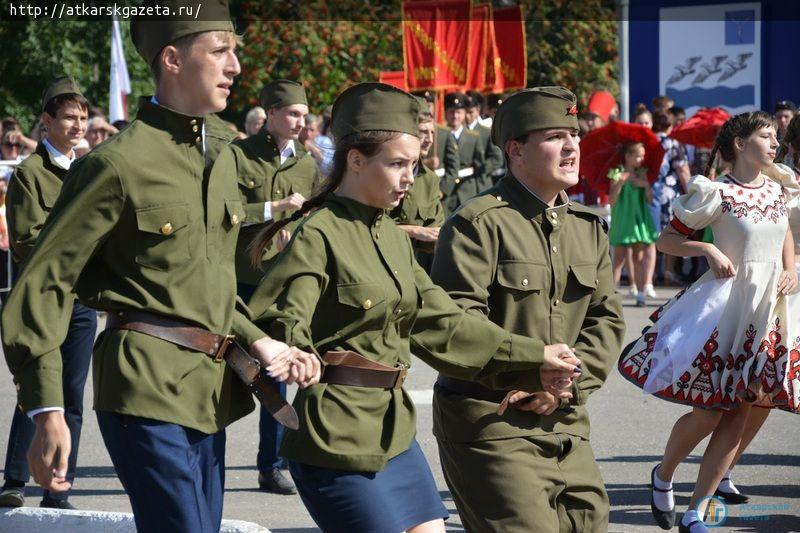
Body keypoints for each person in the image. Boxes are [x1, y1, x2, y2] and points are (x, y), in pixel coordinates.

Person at [1, 3, 318, 531]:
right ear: (172, 59)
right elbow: (43, 282)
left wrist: (262, 342)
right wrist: (46, 408)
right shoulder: (116, 163)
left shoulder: (220, 158)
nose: (235, 66)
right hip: (144, 386)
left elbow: (203, 279)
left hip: (209, 391)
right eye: (220, 51)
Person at [245, 82, 581, 533]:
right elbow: (284, 314)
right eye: (397, 164)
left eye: (414, 165)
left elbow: (445, 324)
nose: (409, 177)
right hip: (335, 436)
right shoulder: (320, 232)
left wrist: (534, 355)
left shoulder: (389, 234)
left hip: (394, 432)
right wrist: (295, 350)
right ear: (356, 160)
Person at [430, 86, 626, 533]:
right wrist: (530, 369)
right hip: (493, 423)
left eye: (574, 134)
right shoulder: (477, 225)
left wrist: (563, 387)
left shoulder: (587, 227)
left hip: (566, 418)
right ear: (516, 149)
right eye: (555, 136)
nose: (572, 146)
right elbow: (457, 324)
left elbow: (606, 318)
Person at [618, 111, 798, 532]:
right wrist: (707, 250)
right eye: (766, 136)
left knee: (741, 409)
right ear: (740, 144)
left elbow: (785, 232)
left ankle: (695, 511)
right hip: (726, 310)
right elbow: (667, 240)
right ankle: (663, 474)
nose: (775, 144)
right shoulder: (714, 193)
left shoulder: (777, 189)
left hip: (768, 311)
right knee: (711, 412)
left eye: (776, 137)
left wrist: (789, 269)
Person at [0, 77, 95, 510]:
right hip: (43, 301)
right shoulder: (29, 174)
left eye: (83, 117)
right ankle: (16, 479)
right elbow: (25, 241)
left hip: (80, 302)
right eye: (69, 118)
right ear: (46, 122)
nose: (79, 126)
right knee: (38, 393)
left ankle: (59, 487)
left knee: (71, 397)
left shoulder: (90, 172)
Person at [230, 78, 319, 495]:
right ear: (272, 114)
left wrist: (296, 225)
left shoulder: (307, 162)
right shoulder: (239, 155)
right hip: (239, 283)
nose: (302, 122)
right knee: (220, 369)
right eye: (295, 114)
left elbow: (315, 215)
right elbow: (225, 210)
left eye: (305, 115)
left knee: (277, 373)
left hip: (280, 282)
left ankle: (273, 464)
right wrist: (273, 209)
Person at [388, 98, 444, 271]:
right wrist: (414, 231)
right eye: (423, 132)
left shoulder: (430, 180)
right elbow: (368, 226)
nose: (429, 139)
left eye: (432, 133)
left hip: (414, 267)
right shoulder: (385, 171)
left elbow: (435, 229)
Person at [608, 142, 659, 306]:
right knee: (618, 258)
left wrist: (645, 185)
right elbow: (612, 200)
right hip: (623, 220)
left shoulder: (642, 174)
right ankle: (609, 295)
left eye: (643, 156)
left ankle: (640, 294)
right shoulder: (616, 173)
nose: (641, 159)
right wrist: (620, 183)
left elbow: (650, 200)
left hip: (638, 222)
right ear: (628, 156)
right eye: (638, 156)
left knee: (639, 257)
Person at [651, 110, 692, 286]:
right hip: (668, 192)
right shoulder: (673, 143)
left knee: (650, 234)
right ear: (671, 125)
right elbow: (682, 170)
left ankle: (650, 275)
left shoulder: (649, 141)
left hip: (650, 192)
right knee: (670, 231)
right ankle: (668, 272)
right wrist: (692, 192)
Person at [440, 91, 487, 215]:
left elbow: (479, 166)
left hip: (467, 190)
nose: (455, 116)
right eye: (451, 112)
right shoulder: (439, 135)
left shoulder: (474, 137)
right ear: (445, 113)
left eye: (459, 112)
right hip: (445, 192)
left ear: (464, 113)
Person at [466, 90, 505, 185]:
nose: (467, 116)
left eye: (470, 112)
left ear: (478, 110)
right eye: (495, 112)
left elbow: (497, 158)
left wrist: (479, 170)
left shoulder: (487, 131)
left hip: (485, 179)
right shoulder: (487, 126)